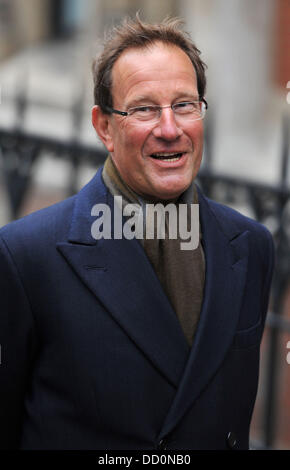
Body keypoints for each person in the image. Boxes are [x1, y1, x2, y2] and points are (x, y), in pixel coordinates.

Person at [0, 16, 274, 450]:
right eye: (144, 108)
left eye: (184, 105)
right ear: (104, 126)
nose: (170, 129)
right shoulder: (25, 256)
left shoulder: (252, 246)